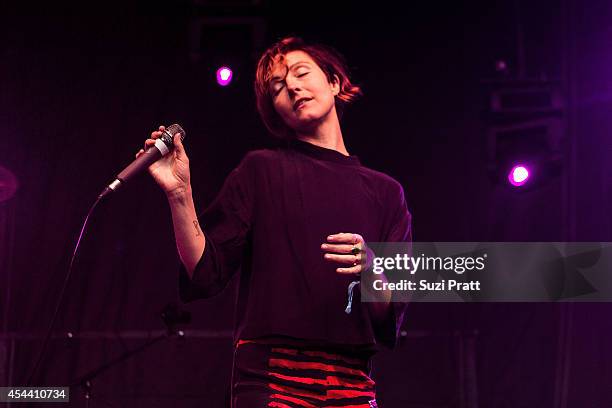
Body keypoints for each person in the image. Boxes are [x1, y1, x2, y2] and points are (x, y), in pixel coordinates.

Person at [138, 37, 412, 408]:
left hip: (352, 383)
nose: (293, 87)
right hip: (270, 376)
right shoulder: (260, 169)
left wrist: (371, 268)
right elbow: (205, 269)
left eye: (301, 73)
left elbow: (390, 312)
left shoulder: (386, 193)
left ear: (334, 82)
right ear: (275, 111)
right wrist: (179, 194)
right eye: (278, 87)